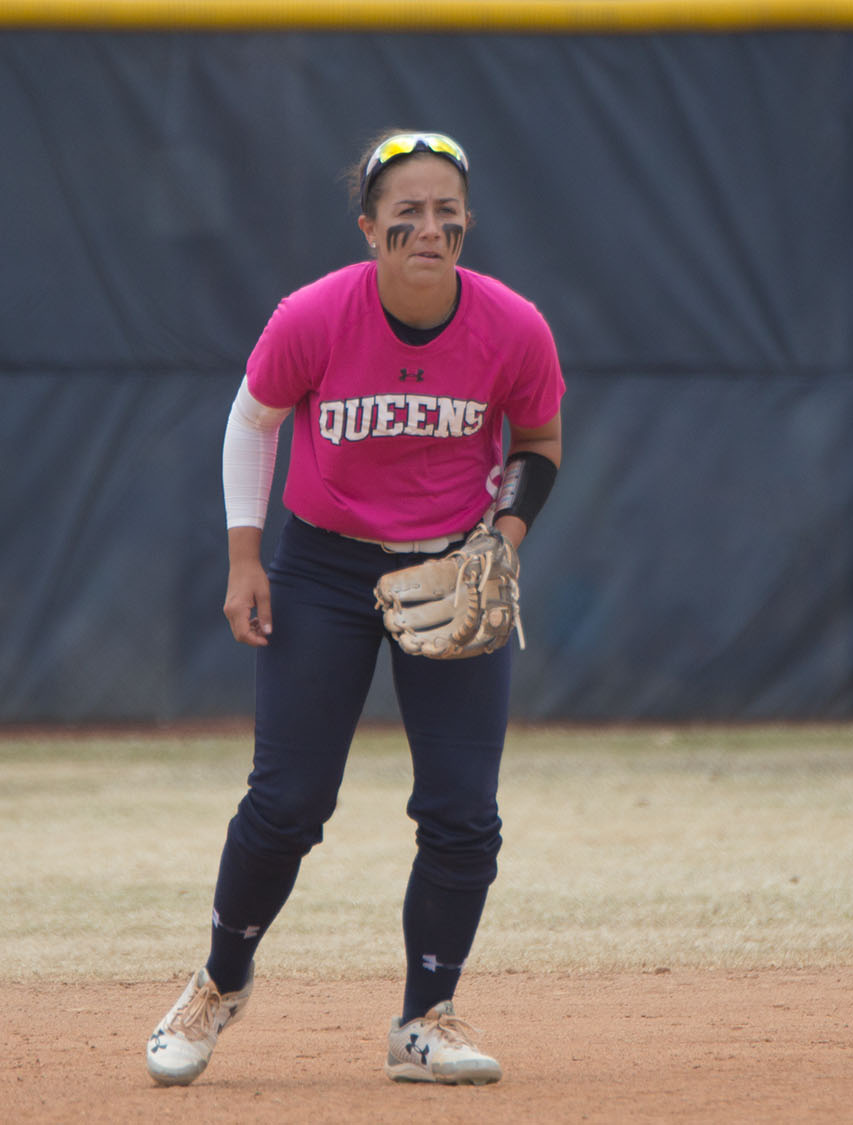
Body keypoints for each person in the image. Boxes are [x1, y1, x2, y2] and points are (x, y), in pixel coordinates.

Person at [145, 130, 565, 1088]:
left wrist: (503, 540)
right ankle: (219, 982)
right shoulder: (316, 315)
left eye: (447, 210)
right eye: (407, 212)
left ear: (467, 223)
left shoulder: (512, 326)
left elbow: (538, 441)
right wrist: (245, 558)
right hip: (323, 569)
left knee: (463, 810)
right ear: (369, 227)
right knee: (288, 799)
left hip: (454, 563)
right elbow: (252, 420)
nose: (430, 227)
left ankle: (425, 1019)